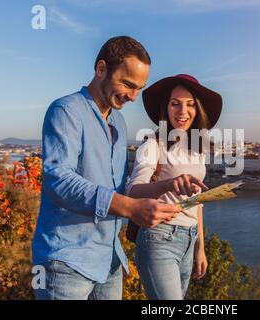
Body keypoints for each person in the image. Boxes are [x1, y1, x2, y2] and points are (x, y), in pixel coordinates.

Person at [32, 36, 181, 300]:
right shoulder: (65, 111)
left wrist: (168, 186)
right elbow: (59, 180)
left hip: (109, 260)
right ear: (101, 69)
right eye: (127, 84)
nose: (133, 96)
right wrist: (131, 208)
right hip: (67, 262)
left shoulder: (119, 123)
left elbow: (119, 187)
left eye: (139, 88)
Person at [126, 74, 222, 299]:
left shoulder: (197, 150)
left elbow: (197, 203)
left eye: (190, 104)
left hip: (189, 241)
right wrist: (169, 184)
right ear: (165, 108)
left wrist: (200, 248)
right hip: (159, 238)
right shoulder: (153, 145)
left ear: (197, 109)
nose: (183, 111)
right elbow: (132, 191)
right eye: (175, 103)